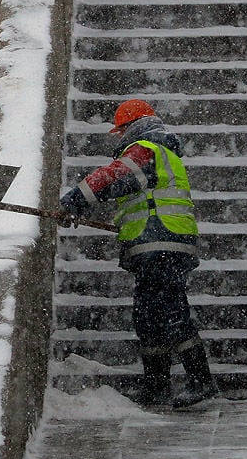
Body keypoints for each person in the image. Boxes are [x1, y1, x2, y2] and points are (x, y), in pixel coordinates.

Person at [57, 99, 219, 409]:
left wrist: (74, 201)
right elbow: (123, 188)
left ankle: (201, 380)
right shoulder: (155, 153)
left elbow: (111, 177)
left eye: (119, 131)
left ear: (130, 127)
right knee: (148, 317)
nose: (117, 138)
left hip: (162, 243)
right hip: (156, 245)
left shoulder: (147, 148)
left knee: (171, 312)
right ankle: (157, 387)